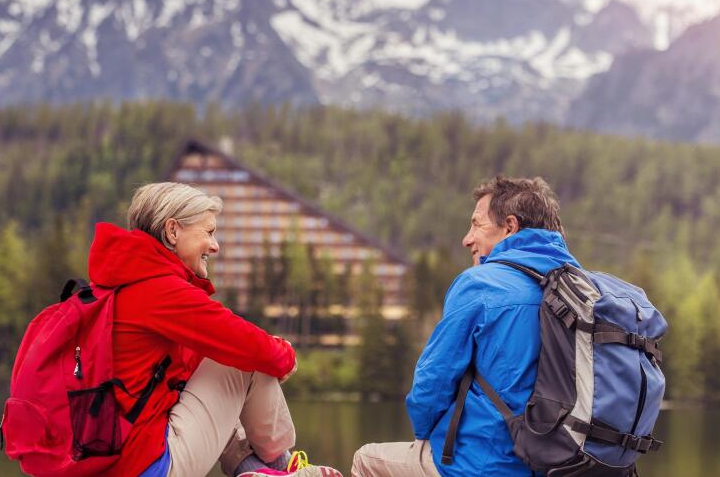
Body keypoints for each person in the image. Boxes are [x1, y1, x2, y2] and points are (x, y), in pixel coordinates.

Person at [89, 182, 342, 477]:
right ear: (173, 231)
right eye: (208, 232)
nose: (215, 245)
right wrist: (285, 353)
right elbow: (250, 346)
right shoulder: (161, 291)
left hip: (118, 459)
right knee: (245, 362)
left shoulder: (123, 283)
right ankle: (283, 466)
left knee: (215, 363)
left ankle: (257, 470)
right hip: (147, 467)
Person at [351, 175, 577, 477]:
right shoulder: (580, 289)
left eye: (476, 224)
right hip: (566, 466)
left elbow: (430, 387)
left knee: (367, 459)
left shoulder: (481, 284)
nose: (467, 238)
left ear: (509, 227)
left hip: (485, 466)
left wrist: (426, 432)